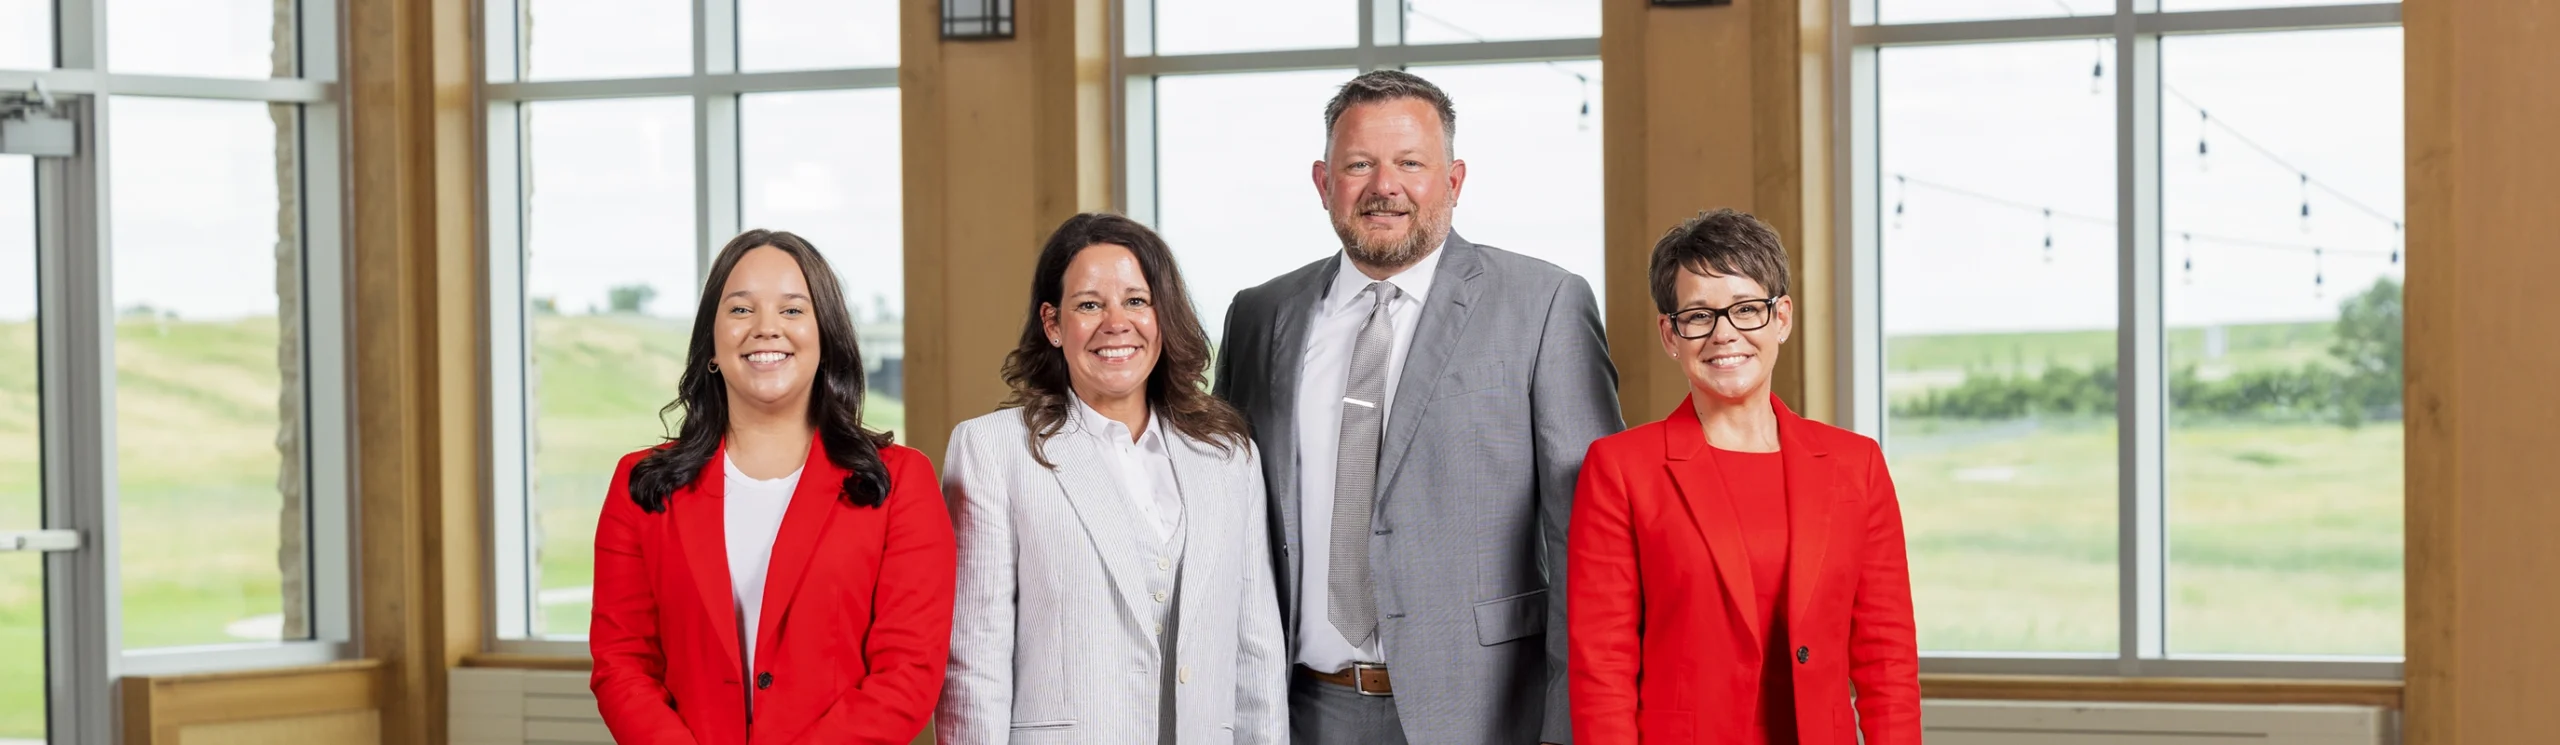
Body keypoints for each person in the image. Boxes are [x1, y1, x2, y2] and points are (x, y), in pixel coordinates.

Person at [1212, 69, 1623, 744]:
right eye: (1359, 165)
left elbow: (1592, 544)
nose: (1384, 187)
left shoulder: (1543, 304)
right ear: (1323, 183)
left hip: (1487, 713)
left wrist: (1572, 726)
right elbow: (1225, 518)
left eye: (1410, 163)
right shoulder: (1260, 317)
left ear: (1454, 181)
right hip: (1301, 710)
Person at [589, 230, 956, 745]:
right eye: (740, 310)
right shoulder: (642, 486)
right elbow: (622, 664)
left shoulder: (900, 484)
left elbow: (908, 673)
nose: (765, 329)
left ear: (825, 336)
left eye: (791, 311)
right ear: (711, 343)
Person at [1568, 209, 1920, 744]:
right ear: (1671, 334)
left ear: (1782, 318)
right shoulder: (1620, 470)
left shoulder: (1856, 465)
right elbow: (1602, 667)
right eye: (1699, 315)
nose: (1724, 334)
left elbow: (1887, 658)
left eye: (1746, 309)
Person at [938, 213, 1288, 744]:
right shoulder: (993, 451)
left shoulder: (1227, 456)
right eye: (1089, 304)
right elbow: (974, 660)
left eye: (1136, 300)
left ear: (1162, 316)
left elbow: (1255, 650)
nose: (1115, 323)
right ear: (1053, 325)